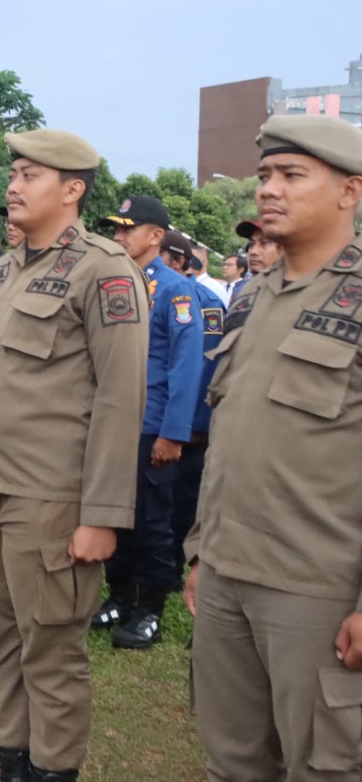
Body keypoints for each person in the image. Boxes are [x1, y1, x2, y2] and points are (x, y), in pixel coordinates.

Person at [0, 130, 147, 782]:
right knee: (3, 641)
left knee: (51, 648)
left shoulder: (104, 269)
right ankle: (14, 781)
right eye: (13, 172)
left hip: (49, 497)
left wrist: (102, 515)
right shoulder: (5, 268)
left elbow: (121, 398)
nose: (14, 185)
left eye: (31, 174)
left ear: (73, 188)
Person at [185, 115, 362, 782]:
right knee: (235, 757)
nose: (268, 190)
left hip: (316, 586)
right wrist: (200, 551)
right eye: (265, 176)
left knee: (328, 774)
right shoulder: (255, 296)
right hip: (229, 570)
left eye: (292, 175)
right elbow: (232, 433)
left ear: (350, 192)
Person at [92, 197, 203, 651]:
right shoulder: (111, 282)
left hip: (150, 424)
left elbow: (186, 365)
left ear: (156, 236)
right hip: (110, 423)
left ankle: (150, 608)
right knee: (111, 514)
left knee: (151, 521)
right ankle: (120, 596)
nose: (119, 236)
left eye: (128, 229)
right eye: (115, 229)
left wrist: (173, 432)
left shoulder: (175, 290)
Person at [160, 229, 223, 576]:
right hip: (153, 418)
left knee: (180, 501)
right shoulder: (150, 291)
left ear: (177, 261)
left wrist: (193, 426)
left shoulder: (206, 302)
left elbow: (206, 366)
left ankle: (172, 569)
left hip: (188, 426)